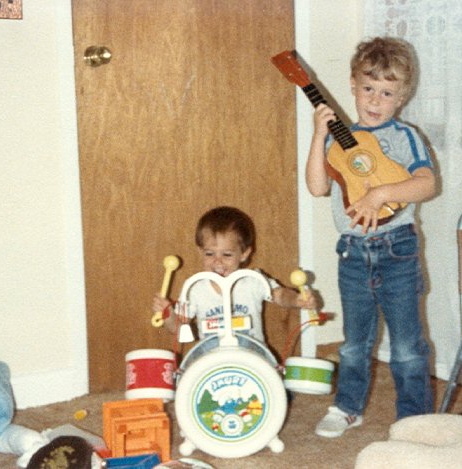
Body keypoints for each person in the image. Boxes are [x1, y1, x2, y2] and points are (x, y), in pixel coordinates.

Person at [306, 37, 437, 438]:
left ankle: (415, 419)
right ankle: (348, 408)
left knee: (407, 345)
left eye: (386, 93)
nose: (375, 101)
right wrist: (317, 134)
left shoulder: (405, 136)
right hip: (353, 251)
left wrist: (381, 193)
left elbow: (427, 184)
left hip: (397, 250)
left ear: (401, 98)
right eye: (368, 89)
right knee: (353, 343)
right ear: (352, 84)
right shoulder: (337, 139)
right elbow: (316, 187)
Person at [152, 206, 317, 345]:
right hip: (212, 360)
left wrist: (296, 300)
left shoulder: (253, 280)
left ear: (244, 254)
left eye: (227, 255)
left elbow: (279, 295)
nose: (217, 262)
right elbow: (179, 329)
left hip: (252, 357)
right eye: (209, 254)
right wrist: (168, 315)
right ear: (200, 251)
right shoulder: (195, 288)